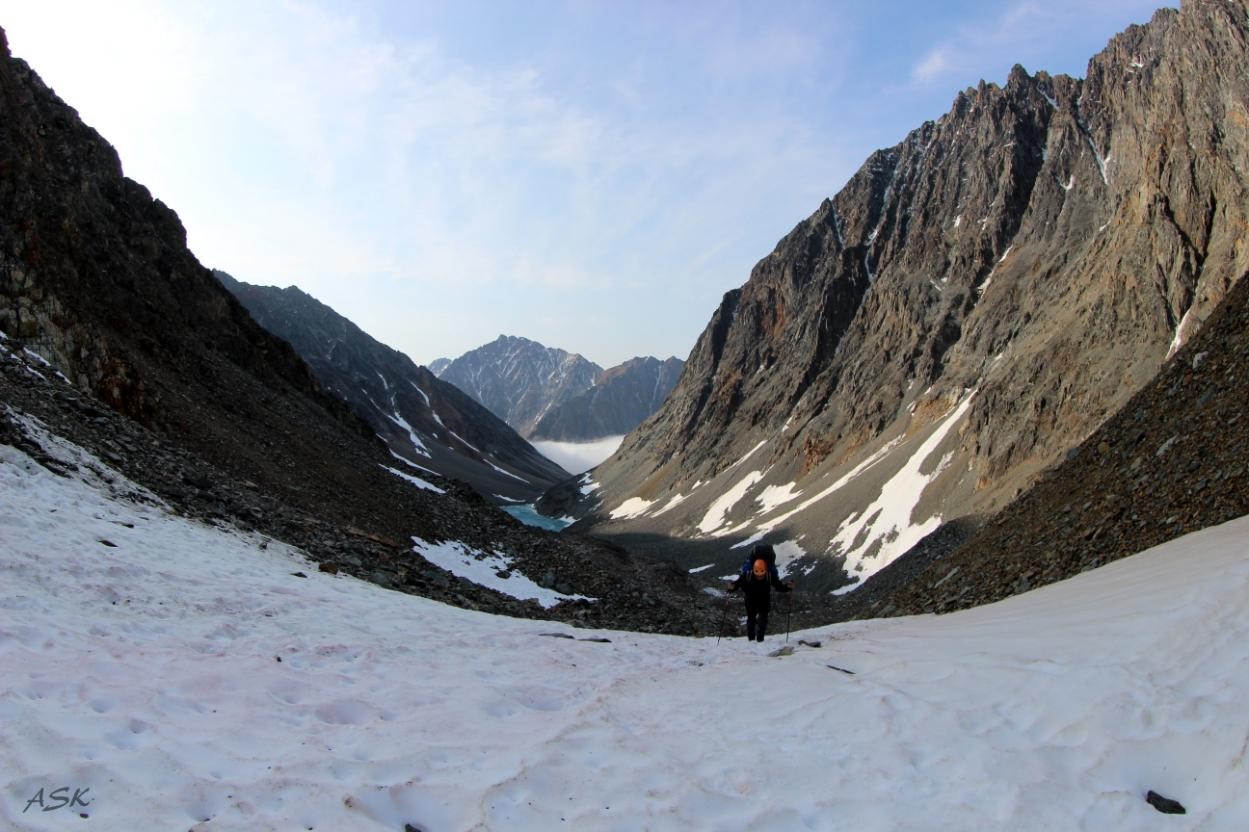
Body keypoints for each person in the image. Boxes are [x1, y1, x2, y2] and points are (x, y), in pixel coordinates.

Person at [728, 558, 794, 642]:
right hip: (753, 601)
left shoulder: (768, 575)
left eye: (761, 574)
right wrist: (732, 587)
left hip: (761, 601)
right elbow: (737, 584)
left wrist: (787, 587)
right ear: (753, 570)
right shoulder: (749, 575)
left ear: (765, 571)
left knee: (761, 621)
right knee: (752, 620)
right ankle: (752, 640)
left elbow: (779, 586)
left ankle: (759, 640)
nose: (759, 576)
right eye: (757, 574)